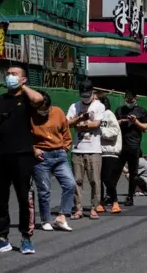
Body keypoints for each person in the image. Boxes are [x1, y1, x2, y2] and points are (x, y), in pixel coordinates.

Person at [0, 66, 44, 255]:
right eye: (8, 73)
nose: (9, 76)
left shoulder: (27, 99)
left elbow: (39, 100)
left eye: (14, 74)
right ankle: (2, 238)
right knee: (0, 199)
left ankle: (26, 238)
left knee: (23, 198)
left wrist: (22, 87)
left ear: (23, 79)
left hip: (22, 155)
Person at [30, 91, 76, 231]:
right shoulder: (29, 115)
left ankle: (62, 217)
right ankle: (45, 220)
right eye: (41, 110)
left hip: (59, 154)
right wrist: (33, 149)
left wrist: (65, 147)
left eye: (46, 109)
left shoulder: (58, 112)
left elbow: (66, 131)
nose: (44, 112)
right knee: (44, 190)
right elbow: (23, 136)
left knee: (70, 184)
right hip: (41, 156)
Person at [66, 79, 105, 220]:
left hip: (94, 149)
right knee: (77, 181)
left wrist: (82, 125)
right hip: (78, 149)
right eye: (82, 94)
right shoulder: (74, 106)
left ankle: (94, 208)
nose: (85, 97)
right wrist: (79, 119)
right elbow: (68, 122)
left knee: (95, 180)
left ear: (92, 92)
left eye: (87, 94)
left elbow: (96, 123)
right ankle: (78, 209)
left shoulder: (98, 106)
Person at [113, 91, 147, 207]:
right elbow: (112, 124)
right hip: (120, 145)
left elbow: (145, 127)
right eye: (127, 100)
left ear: (135, 98)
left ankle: (130, 196)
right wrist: (120, 121)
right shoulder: (119, 110)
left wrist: (135, 121)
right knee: (116, 171)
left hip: (134, 145)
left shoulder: (141, 111)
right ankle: (112, 195)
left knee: (133, 172)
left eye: (131, 100)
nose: (129, 102)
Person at [98, 94, 123, 213]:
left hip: (109, 151)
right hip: (98, 151)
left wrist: (99, 130)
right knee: (98, 179)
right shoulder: (96, 115)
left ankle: (115, 201)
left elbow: (114, 132)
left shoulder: (108, 114)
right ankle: (101, 202)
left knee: (106, 178)